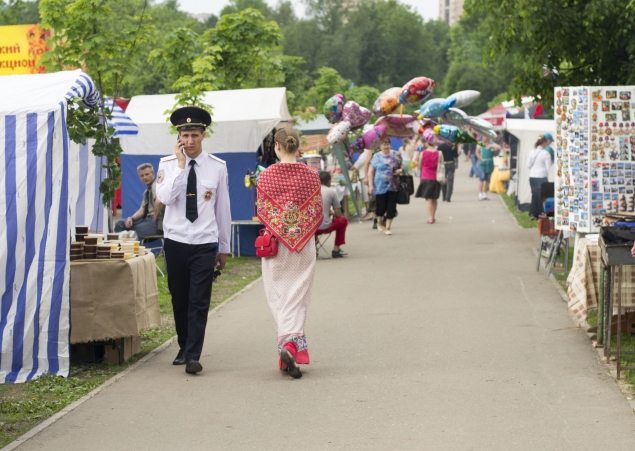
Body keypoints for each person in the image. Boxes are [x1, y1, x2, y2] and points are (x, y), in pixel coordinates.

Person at [156, 106, 231, 375]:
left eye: (195, 135)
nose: (189, 141)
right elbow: (165, 199)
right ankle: (184, 344)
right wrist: (179, 166)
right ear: (179, 136)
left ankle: (193, 356)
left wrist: (224, 247)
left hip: (204, 241)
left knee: (199, 299)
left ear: (203, 135)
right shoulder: (166, 165)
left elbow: (222, 208)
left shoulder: (217, 167)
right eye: (185, 135)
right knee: (179, 297)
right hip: (175, 240)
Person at [256, 126, 323, 379]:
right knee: (298, 295)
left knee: (278, 295)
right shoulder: (311, 175)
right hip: (303, 244)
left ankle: (287, 347)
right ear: (298, 146)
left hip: (275, 243)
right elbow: (317, 211)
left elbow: (262, 209)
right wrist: (298, 229)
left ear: (277, 147)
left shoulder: (267, 175)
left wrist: (282, 225)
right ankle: (291, 346)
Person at [114, 163, 164, 239]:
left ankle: (128, 250)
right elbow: (142, 210)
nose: (145, 177)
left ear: (153, 174)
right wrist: (131, 219)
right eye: (142, 175)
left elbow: (159, 201)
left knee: (131, 233)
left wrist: (155, 217)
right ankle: (123, 248)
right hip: (146, 220)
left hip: (157, 223)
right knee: (120, 224)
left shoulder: (156, 185)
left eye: (147, 174)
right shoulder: (146, 191)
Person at [368, 137, 403, 235]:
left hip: (393, 185)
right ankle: (379, 219)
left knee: (391, 207)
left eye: (387, 144)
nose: (386, 146)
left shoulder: (396, 154)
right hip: (379, 186)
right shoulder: (376, 156)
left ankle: (387, 227)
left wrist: (400, 170)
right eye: (384, 144)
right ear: (380, 146)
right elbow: (371, 172)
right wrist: (371, 185)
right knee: (380, 208)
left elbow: (402, 166)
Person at [317, 171, 348, 258]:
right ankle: (336, 249)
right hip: (325, 226)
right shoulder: (331, 192)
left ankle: (314, 249)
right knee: (343, 220)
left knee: (313, 222)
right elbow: (338, 214)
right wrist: (332, 212)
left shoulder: (311, 192)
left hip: (312, 229)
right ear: (329, 181)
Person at [414, 139, 442, 224]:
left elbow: (419, 165)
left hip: (426, 177)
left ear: (426, 143)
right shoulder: (439, 153)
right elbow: (442, 165)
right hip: (436, 177)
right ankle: (433, 216)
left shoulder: (423, 153)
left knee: (428, 198)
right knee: (434, 197)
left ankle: (430, 217)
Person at [527, 133, 554, 219]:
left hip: (532, 176)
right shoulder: (546, 154)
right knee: (542, 196)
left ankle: (532, 213)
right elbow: (548, 168)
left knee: (534, 194)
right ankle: (540, 213)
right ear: (545, 142)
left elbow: (528, 165)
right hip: (542, 176)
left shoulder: (531, 152)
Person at [475, 136, 502, 200]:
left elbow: (499, 147)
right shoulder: (480, 144)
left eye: (485, 136)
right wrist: (481, 159)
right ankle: (480, 194)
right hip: (483, 163)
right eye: (483, 137)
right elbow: (477, 152)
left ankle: (485, 193)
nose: (483, 138)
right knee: (481, 179)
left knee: (487, 179)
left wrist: (491, 146)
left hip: (489, 163)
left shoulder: (492, 144)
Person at [354, 148, 374, 220]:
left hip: (364, 176)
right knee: (366, 195)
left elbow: (358, 164)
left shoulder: (366, 153)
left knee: (367, 196)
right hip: (365, 176)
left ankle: (370, 212)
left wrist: (352, 167)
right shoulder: (367, 152)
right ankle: (368, 212)